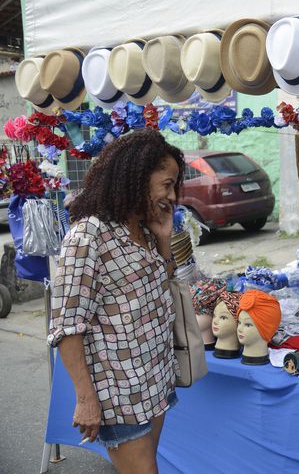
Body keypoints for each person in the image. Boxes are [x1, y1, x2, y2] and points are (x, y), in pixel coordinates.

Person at [48, 129, 183, 473]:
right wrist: (85, 398)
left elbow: (164, 286)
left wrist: (164, 240)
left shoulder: (146, 226)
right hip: (118, 393)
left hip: (155, 379)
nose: (172, 195)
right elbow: (67, 325)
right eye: (166, 184)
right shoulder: (88, 235)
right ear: (137, 178)